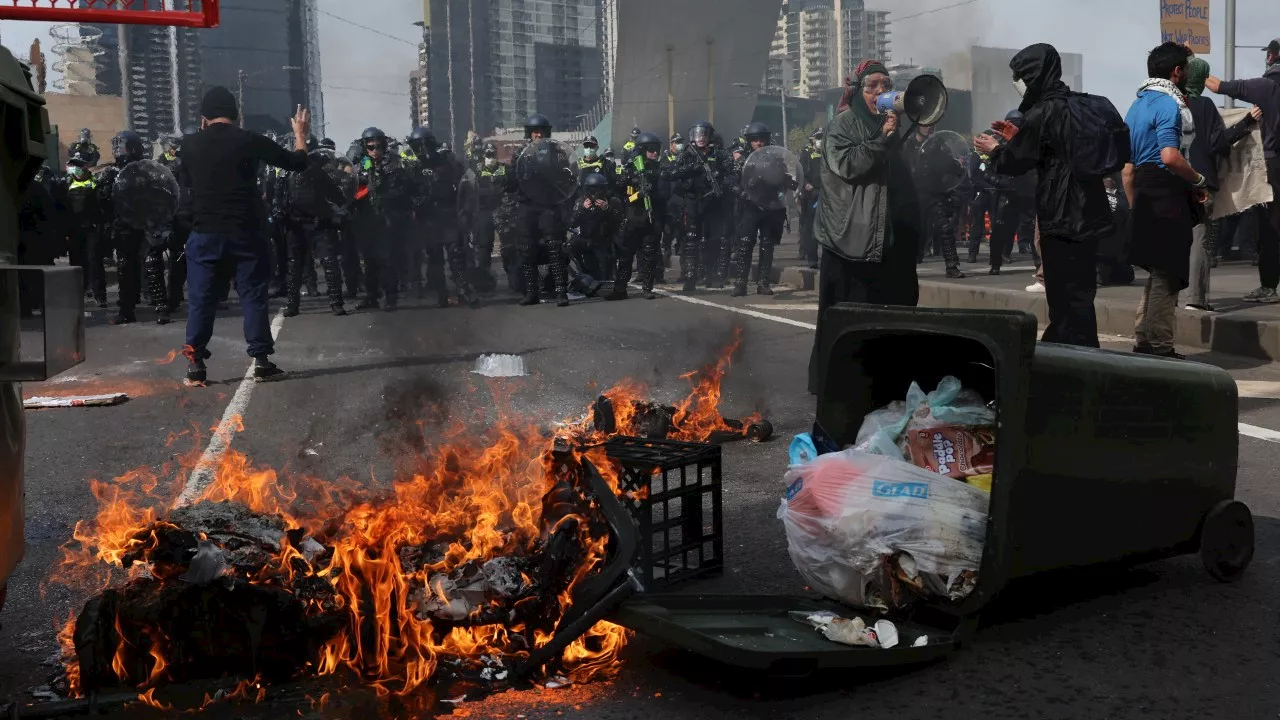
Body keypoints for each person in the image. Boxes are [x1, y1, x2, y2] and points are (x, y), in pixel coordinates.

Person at [974, 43, 1114, 348]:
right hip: (1089, 212)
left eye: (1021, 75)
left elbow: (1015, 162)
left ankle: (1072, 359)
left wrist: (995, 149)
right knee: (1081, 293)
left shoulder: (1042, 111)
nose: (1019, 82)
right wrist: (1017, 138)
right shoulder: (1085, 105)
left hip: (1059, 215)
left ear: (1033, 74)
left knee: (1063, 297)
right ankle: (1084, 353)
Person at [177, 87, 311, 386]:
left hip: (205, 232)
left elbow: (184, 183)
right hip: (246, 231)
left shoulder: (189, 146)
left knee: (201, 299)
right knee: (252, 295)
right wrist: (301, 134)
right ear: (236, 116)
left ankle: (195, 365)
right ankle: (261, 360)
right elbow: (297, 163)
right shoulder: (250, 141)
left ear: (203, 119)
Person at [807, 59, 921, 395]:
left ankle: (886, 383)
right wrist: (882, 138)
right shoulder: (842, 124)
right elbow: (848, 164)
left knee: (893, 319)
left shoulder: (889, 126)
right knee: (848, 321)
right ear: (858, 91)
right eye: (873, 86)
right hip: (850, 244)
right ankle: (839, 387)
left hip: (888, 243)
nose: (881, 93)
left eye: (886, 86)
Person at [1122, 42, 1204, 359]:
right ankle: (1160, 345)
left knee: (1158, 272)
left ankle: (1144, 340)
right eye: (1185, 68)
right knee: (1167, 274)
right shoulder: (1169, 106)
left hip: (1143, 189)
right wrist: (1197, 180)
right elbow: (1170, 157)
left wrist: (1135, 206)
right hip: (1166, 194)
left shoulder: (1136, 105)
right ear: (1177, 72)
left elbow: (1127, 169)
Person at [1183, 57, 1260, 310]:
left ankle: (1166, 298)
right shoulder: (1205, 106)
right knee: (1200, 240)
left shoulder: (1170, 102)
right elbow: (1218, 143)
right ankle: (1195, 299)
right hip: (1201, 181)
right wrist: (1247, 122)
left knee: (1172, 238)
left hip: (1169, 180)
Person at [1207, 39, 1280, 304]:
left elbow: (1216, 85)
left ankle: (1269, 287)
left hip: (1274, 165)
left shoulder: (1265, 86)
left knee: (1270, 228)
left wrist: (1192, 64)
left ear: (1271, 56)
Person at [407, 126, 478, 308]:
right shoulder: (412, 166)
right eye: (418, 145)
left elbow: (463, 183)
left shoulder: (446, 159)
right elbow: (408, 190)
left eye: (425, 145)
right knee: (435, 258)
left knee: (456, 254)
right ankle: (441, 293)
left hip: (448, 214)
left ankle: (463, 289)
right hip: (428, 218)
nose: (422, 149)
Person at [511, 112, 573, 306]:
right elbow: (513, 181)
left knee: (555, 248)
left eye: (541, 132)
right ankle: (532, 292)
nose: (537, 136)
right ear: (529, 134)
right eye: (534, 133)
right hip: (527, 206)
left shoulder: (557, 153)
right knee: (526, 249)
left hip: (548, 205)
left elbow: (565, 178)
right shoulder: (519, 154)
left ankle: (561, 291)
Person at [663, 120, 731, 293]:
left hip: (713, 204)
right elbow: (670, 173)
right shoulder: (687, 154)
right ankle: (690, 278)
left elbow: (733, 171)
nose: (701, 138)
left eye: (705, 134)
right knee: (691, 240)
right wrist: (691, 168)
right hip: (693, 202)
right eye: (698, 134)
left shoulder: (719, 154)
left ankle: (711, 275)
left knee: (713, 241)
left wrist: (722, 179)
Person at [351, 127, 410, 311]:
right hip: (366, 218)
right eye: (370, 146)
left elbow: (402, 190)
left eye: (377, 145)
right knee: (368, 260)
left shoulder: (394, 164)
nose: (374, 150)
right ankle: (371, 296)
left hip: (387, 217)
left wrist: (382, 181)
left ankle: (391, 297)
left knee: (387, 259)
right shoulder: (360, 165)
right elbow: (351, 188)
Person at [728, 122, 789, 296]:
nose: (759, 143)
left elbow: (783, 179)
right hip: (749, 208)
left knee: (767, 246)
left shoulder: (775, 158)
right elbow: (731, 182)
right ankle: (741, 284)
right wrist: (741, 193)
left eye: (762, 139)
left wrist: (786, 189)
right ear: (749, 141)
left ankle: (763, 283)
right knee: (745, 245)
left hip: (769, 207)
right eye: (755, 140)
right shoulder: (742, 160)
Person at [903, 123, 964, 277]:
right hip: (913, 195)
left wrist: (957, 166)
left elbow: (951, 165)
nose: (929, 128)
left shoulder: (938, 145)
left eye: (932, 125)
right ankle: (909, 265)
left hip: (934, 194)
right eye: (925, 125)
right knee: (914, 233)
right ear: (918, 126)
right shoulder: (908, 145)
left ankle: (952, 266)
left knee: (945, 228)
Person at [611, 131, 665, 300]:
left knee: (649, 256)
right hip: (633, 217)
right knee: (626, 256)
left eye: (657, 149)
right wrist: (637, 192)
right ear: (642, 150)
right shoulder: (630, 169)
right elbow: (619, 193)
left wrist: (653, 193)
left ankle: (648, 288)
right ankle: (620, 289)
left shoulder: (659, 170)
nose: (655, 153)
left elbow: (665, 194)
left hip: (651, 218)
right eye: (651, 149)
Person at [58, 151, 104, 306]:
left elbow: (101, 206)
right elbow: (62, 208)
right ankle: (78, 292)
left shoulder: (95, 182)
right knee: (76, 262)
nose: (74, 169)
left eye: (77, 166)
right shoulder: (65, 183)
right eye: (72, 166)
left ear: (84, 167)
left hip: (91, 228)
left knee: (94, 260)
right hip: (74, 229)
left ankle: (99, 294)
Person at [471, 142, 506, 293]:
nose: (490, 158)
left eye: (492, 155)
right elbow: (472, 191)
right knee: (484, 247)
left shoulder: (504, 169)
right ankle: (483, 279)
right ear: (483, 156)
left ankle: (516, 278)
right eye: (488, 155)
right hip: (484, 212)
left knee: (511, 245)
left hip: (503, 210)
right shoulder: (476, 171)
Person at [798, 130, 824, 269]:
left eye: (823, 138)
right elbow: (800, 173)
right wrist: (806, 185)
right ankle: (811, 258)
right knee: (810, 228)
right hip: (811, 196)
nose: (821, 140)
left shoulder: (828, 152)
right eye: (818, 138)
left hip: (827, 194)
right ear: (812, 140)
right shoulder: (806, 154)